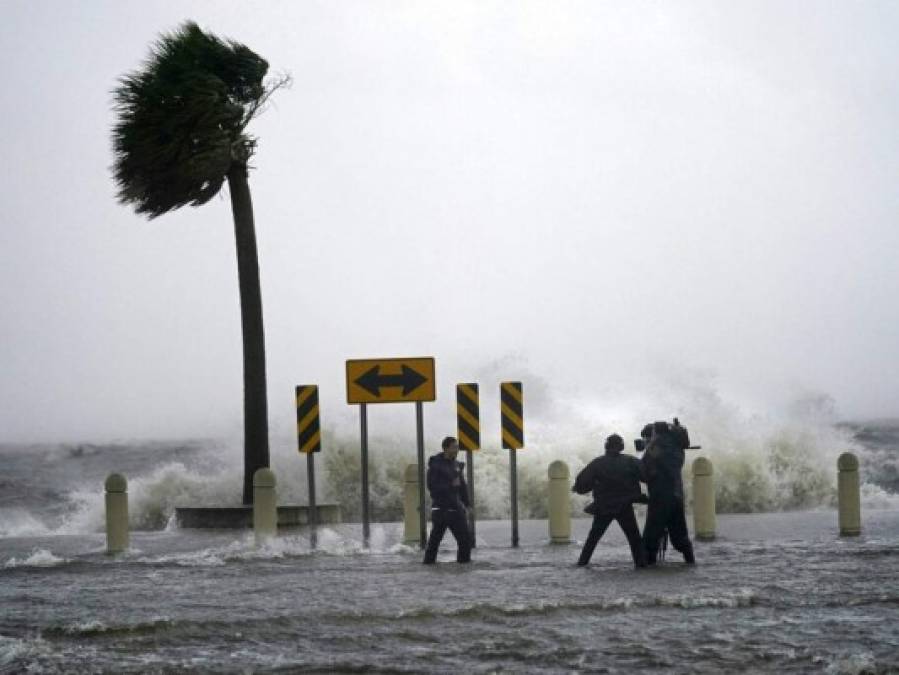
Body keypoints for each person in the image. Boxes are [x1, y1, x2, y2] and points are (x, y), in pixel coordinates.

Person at [573, 433, 647, 568]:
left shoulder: (597, 463)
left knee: (593, 538)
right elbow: (646, 476)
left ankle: (582, 563)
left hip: (604, 506)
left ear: (606, 447)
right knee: (634, 538)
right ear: (622, 446)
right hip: (624, 506)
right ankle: (641, 564)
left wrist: (577, 488)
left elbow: (582, 484)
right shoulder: (630, 461)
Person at [640, 420, 695, 565]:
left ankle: (649, 565)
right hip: (677, 496)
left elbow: (645, 473)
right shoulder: (677, 448)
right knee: (680, 535)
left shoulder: (654, 448)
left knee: (651, 537)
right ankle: (690, 561)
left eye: (646, 437)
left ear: (653, 434)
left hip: (660, 497)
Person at [423, 436, 472, 564]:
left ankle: (463, 567)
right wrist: (451, 484)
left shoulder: (456, 465)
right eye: (454, 447)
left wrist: (468, 505)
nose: (457, 450)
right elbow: (432, 487)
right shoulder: (435, 465)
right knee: (434, 543)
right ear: (446, 448)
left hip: (456, 509)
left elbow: (462, 487)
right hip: (441, 510)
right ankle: (428, 567)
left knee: (465, 540)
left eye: (457, 448)